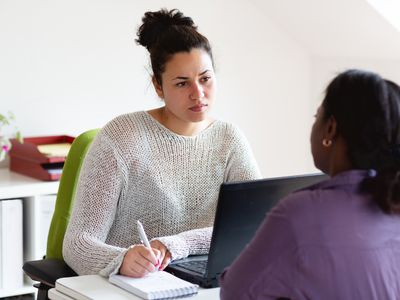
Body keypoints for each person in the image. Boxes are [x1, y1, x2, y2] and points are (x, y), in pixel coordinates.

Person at [62, 8, 261, 278]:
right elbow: (78, 244)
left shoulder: (230, 139)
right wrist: (122, 260)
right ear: (158, 86)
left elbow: (253, 225)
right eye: (182, 84)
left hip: (203, 279)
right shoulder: (121, 137)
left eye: (205, 79)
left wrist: (177, 245)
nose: (198, 94)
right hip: (131, 284)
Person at [219, 69, 400, 299]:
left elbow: (234, 293)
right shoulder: (392, 201)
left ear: (330, 128)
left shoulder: (299, 214)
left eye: (317, 117)